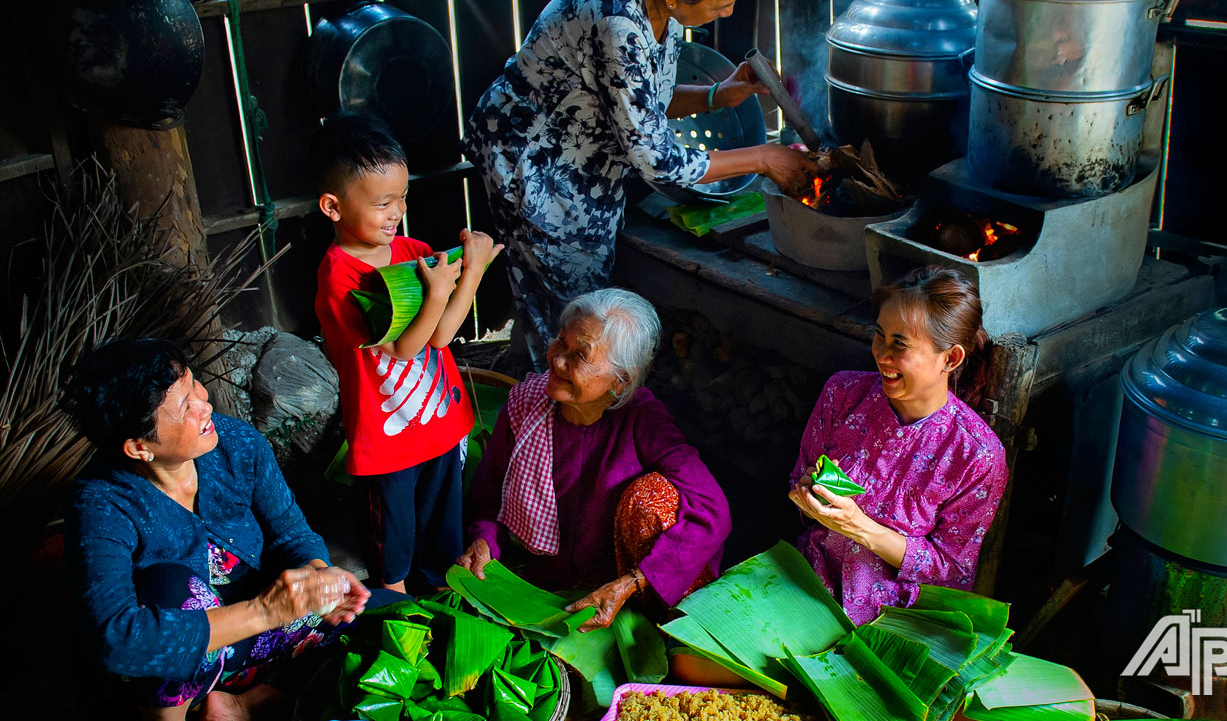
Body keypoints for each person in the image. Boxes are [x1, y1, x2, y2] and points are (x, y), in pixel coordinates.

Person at [462, 0, 817, 370]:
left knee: (553, 303)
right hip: (537, 159)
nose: (729, 12)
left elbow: (638, 101)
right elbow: (657, 157)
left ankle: (531, 388)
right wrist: (765, 158)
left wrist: (719, 94)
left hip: (579, 152)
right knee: (569, 316)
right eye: (721, 2)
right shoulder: (619, 21)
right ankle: (551, 415)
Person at [64, 338, 371, 721]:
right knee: (169, 587)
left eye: (194, 384)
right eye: (185, 406)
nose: (204, 404)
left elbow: (292, 534)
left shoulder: (237, 443)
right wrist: (265, 610)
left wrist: (318, 581)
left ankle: (247, 702)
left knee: (379, 620)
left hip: (262, 636)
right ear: (140, 447)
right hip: (191, 659)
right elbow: (117, 637)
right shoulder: (101, 502)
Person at [458, 287, 730, 630]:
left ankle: (659, 623)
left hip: (617, 586)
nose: (557, 361)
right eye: (561, 342)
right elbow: (488, 495)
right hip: (541, 577)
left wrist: (633, 581)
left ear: (620, 381)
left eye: (580, 356)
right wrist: (483, 539)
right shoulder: (525, 405)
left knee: (653, 496)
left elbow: (712, 509)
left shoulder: (643, 419)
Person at [312, 112, 504, 595]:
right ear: (333, 207)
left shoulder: (409, 250)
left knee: (442, 528)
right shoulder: (339, 279)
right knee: (391, 540)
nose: (396, 211)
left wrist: (473, 271)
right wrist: (440, 291)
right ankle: (395, 607)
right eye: (382, 203)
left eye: (401, 198)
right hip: (387, 439)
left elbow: (443, 337)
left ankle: (439, 595)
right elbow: (402, 349)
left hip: (439, 422)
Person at [788, 266, 1008, 625]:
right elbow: (800, 481)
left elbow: (950, 568)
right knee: (692, 665)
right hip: (809, 581)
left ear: (950, 359)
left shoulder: (977, 456)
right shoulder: (842, 395)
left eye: (900, 344)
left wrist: (859, 526)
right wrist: (811, 495)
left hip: (894, 616)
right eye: (879, 336)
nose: (881, 355)